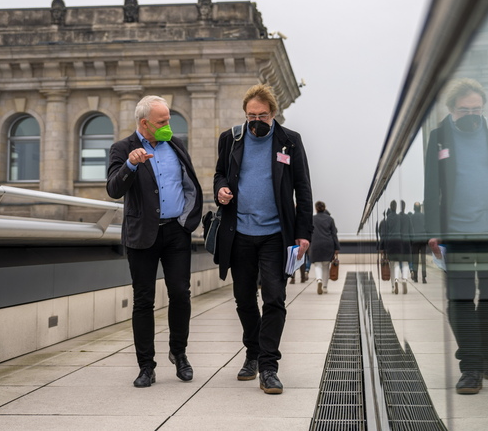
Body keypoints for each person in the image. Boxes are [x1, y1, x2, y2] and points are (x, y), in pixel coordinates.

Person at [423, 78, 488, 395]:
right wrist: (433, 233)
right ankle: (470, 366)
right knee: (461, 299)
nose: (472, 115)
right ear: (452, 109)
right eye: (465, 110)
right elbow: (431, 189)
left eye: (477, 109)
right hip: (456, 234)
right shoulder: (439, 138)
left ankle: (484, 351)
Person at [213, 84, 313, 395]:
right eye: (251, 115)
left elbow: (303, 188)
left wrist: (303, 234)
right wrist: (221, 190)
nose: (256, 120)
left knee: (274, 298)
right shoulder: (231, 139)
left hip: (275, 235)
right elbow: (219, 174)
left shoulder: (289, 142)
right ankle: (252, 351)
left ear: (273, 114)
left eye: (263, 115)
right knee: (244, 299)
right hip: (239, 234)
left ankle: (268, 366)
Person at [106, 95, 203, 389]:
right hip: (142, 234)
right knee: (143, 301)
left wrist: (189, 219)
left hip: (176, 232)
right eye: (162, 122)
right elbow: (113, 189)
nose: (168, 126)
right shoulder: (122, 149)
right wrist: (131, 166)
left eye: (169, 120)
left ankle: (179, 352)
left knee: (180, 293)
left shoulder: (176, 144)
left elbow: (189, 182)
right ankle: (146, 366)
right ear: (144, 123)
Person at [379, 200, 413, 294]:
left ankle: (394, 284)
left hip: (390, 243)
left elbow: (384, 235)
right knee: (405, 262)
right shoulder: (401, 218)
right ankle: (404, 280)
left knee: (393, 264)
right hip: (401, 242)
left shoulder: (387, 220)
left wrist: (382, 247)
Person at [309, 201, 340, 295]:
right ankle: (325, 287)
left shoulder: (312, 219)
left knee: (318, 265)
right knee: (326, 266)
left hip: (316, 244)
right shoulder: (330, 219)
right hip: (328, 244)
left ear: (316, 208)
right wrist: (336, 247)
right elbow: (334, 234)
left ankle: (319, 280)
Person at [409, 202, 428, 283]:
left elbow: (410, 230)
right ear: (420, 208)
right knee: (423, 259)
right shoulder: (424, 216)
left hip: (415, 240)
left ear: (414, 208)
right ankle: (424, 277)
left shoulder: (411, 217)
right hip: (423, 240)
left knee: (415, 259)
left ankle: (416, 277)